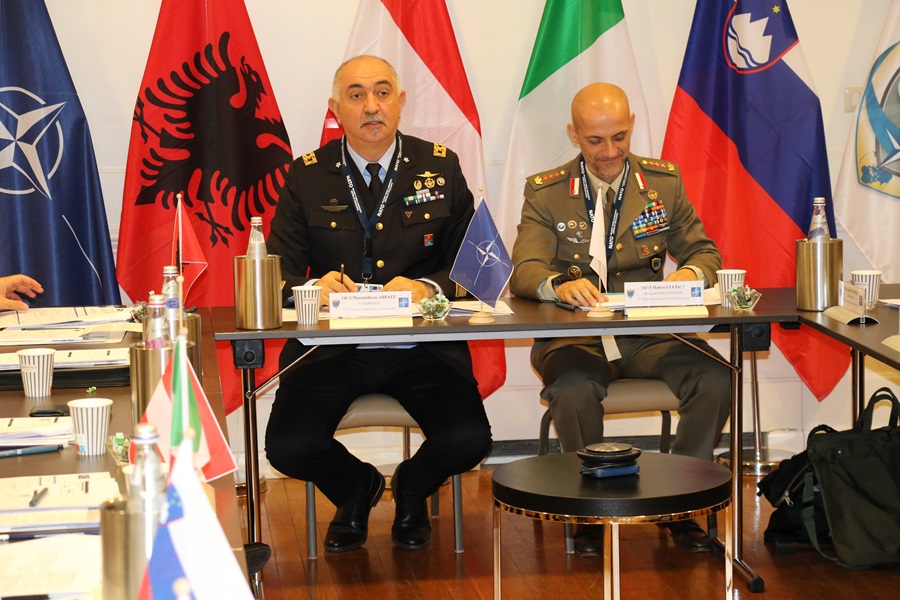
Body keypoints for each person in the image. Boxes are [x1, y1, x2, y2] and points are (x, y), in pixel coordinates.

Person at [265, 56, 492, 553]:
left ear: (401, 101)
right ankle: (356, 487)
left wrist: (427, 288)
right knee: (287, 446)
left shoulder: (440, 166)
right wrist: (313, 288)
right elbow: (277, 273)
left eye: (383, 92)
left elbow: (474, 267)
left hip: (421, 347)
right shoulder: (307, 175)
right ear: (335, 108)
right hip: (330, 348)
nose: (372, 106)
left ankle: (411, 486)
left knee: (470, 439)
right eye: (356, 94)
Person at [510, 83, 731, 556]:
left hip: (646, 334)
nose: (610, 152)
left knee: (716, 376)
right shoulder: (546, 191)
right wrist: (557, 285)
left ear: (631, 126)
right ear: (574, 134)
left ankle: (682, 502)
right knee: (572, 388)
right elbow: (525, 269)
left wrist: (689, 274)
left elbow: (703, 252)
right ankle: (589, 510)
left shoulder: (662, 183)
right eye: (595, 141)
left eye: (619, 137)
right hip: (575, 336)